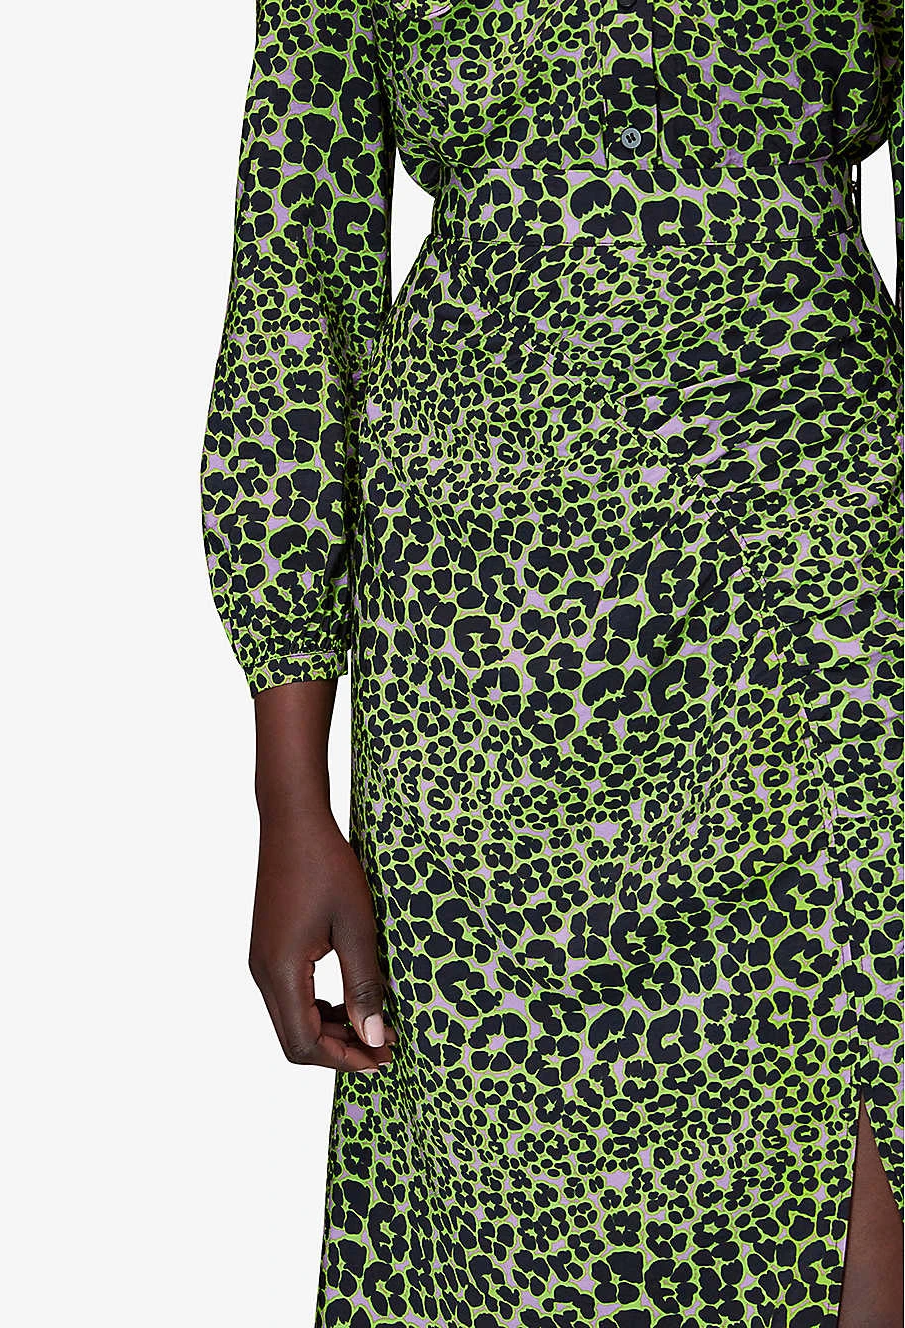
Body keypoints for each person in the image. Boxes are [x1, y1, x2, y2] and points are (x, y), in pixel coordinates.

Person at [200, 1, 904, 1322]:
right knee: (508, 1233)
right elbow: (295, 293)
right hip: (485, 659)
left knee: (862, 1177)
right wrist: (288, 797)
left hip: (822, 604)